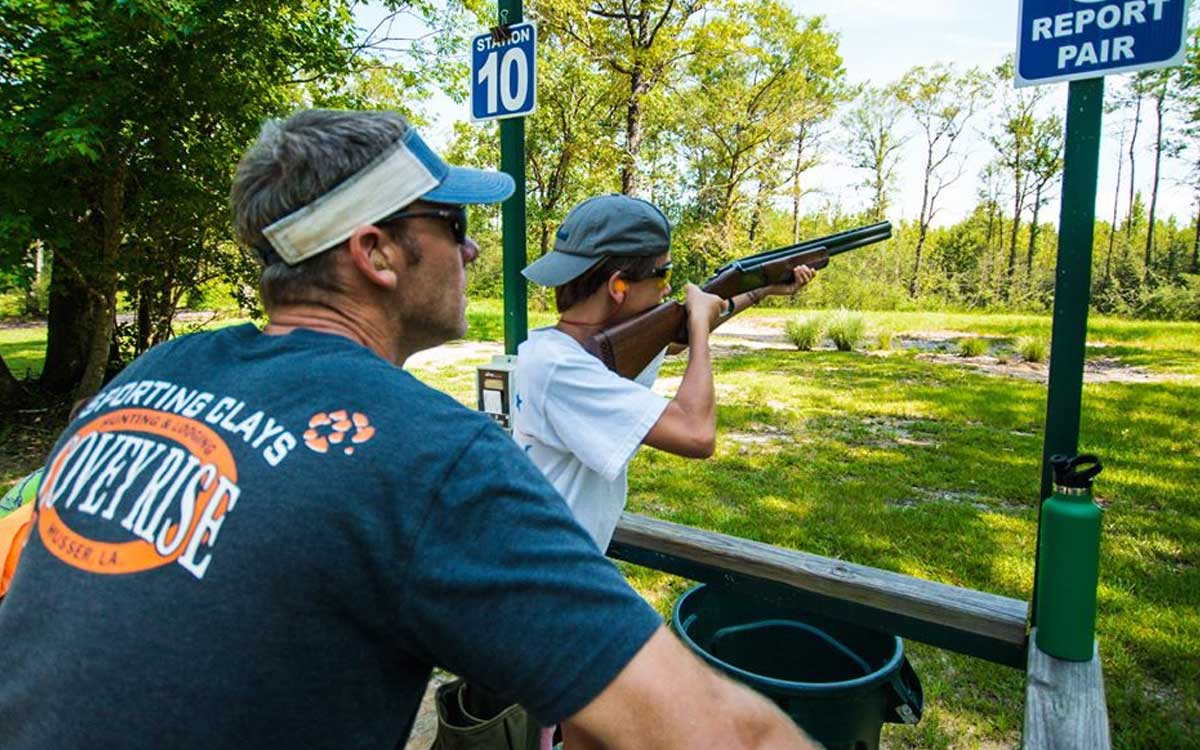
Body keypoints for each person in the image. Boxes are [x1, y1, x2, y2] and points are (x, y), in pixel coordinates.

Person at [0, 109, 818, 750]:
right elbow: (725, 734)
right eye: (453, 228)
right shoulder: (429, 454)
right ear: (377, 252)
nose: (469, 253)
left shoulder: (151, 375)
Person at [514, 193, 816, 553]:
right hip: (547, 576)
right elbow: (696, 433)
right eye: (664, 274)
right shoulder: (561, 368)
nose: (669, 288)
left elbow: (671, 341)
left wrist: (760, 289)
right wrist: (701, 325)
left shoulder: (569, 351)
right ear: (618, 286)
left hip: (552, 558)